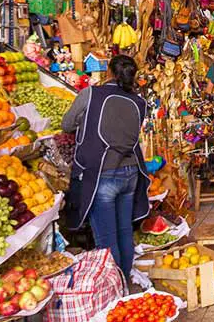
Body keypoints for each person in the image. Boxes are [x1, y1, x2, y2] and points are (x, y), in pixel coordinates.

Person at [62, 55, 149, 278]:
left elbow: (67, 124)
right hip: (130, 172)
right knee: (124, 231)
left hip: (104, 173)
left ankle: (116, 288)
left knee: (107, 238)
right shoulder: (139, 102)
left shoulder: (91, 94)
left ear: (108, 72)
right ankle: (125, 278)